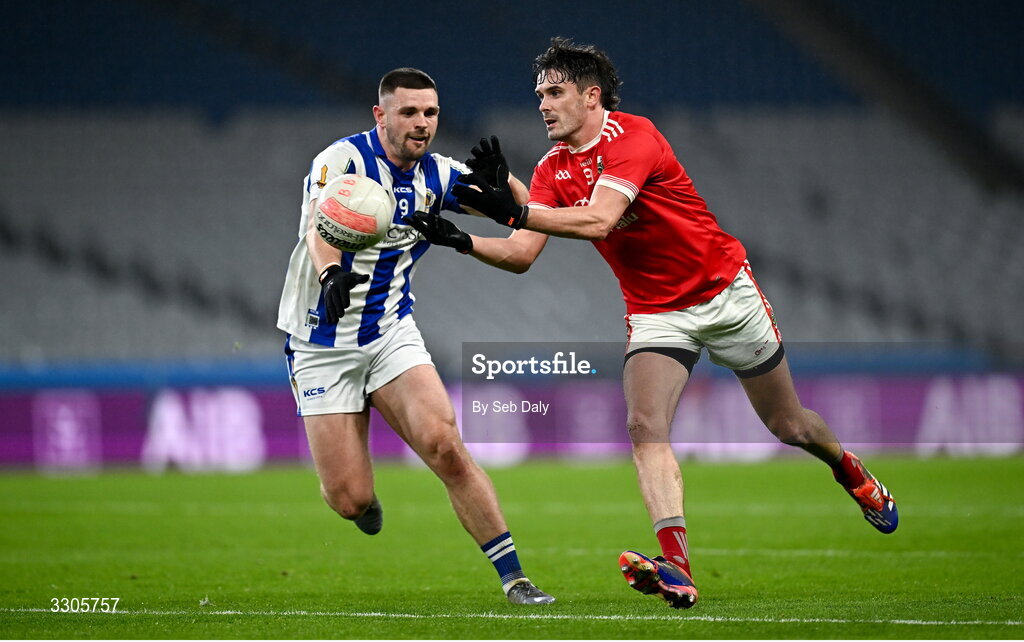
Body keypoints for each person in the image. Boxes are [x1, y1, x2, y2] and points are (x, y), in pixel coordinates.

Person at [412, 38, 898, 609]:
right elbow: (522, 253)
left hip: (725, 293)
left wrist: (513, 206)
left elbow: (599, 220)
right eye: (539, 94)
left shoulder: (634, 138)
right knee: (644, 425)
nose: (542, 104)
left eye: (555, 92)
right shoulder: (552, 168)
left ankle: (847, 468)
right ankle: (678, 566)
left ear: (592, 97)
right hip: (655, 312)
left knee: (789, 425)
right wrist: (463, 240)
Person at [276, 67, 554, 606]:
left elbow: (525, 226)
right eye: (408, 112)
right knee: (348, 498)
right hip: (320, 343)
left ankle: (515, 578)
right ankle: (361, 503)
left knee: (445, 446)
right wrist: (333, 273)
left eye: (430, 113)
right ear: (380, 115)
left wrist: (510, 188)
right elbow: (319, 229)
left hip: (390, 334)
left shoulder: (441, 176)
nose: (421, 123)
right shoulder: (341, 162)